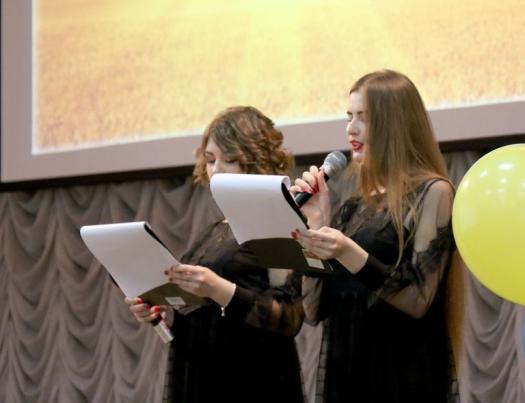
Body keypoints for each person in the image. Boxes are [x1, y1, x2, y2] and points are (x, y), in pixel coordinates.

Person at [292, 70, 458, 402]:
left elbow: (417, 299)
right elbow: (312, 310)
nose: (351, 128)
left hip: (402, 375)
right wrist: (317, 222)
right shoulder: (354, 207)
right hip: (347, 374)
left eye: (363, 118)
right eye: (348, 117)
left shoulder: (433, 192)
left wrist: (347, 251)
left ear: (395, 123)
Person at [125, 106, 305, 403]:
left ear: (258, 161)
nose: (216, 170)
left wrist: (218, 289)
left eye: (229, 160)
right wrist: (163, 312)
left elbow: (288, 317)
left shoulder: (274, 223)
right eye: (210, 160)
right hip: (203, 375)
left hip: (251, 379)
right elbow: (205, 315)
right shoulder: (216, 228)